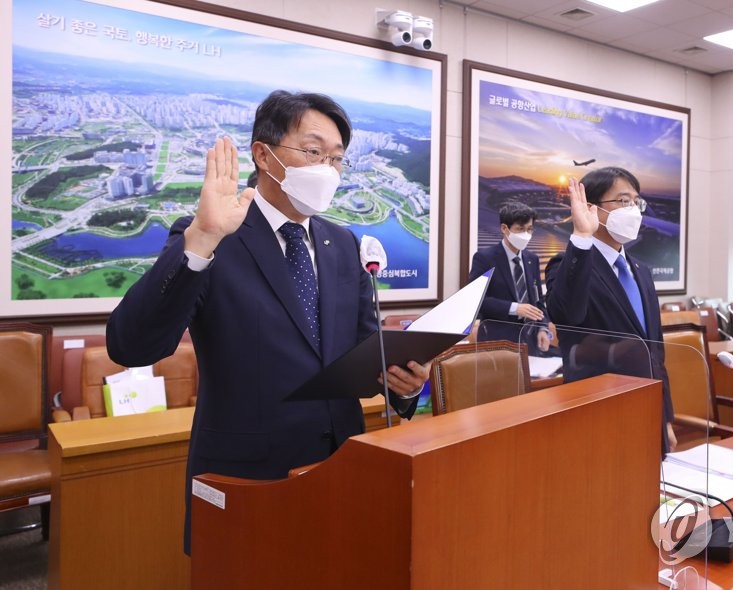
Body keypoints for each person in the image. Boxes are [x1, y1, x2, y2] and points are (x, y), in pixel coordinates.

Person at [106, 90, 429, 553]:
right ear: (264, 154)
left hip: (342, 467)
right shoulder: (214, 234)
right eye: (314, 152)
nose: (327, 170)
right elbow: (130, 346)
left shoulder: (343, 243)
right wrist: (201, 239)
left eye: (337, 159)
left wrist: (402, 381)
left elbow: (363, 348)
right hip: (247, 475)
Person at [545, 167, 676, 452]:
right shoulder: (568, 264)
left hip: (647, 409)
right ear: (592, 208)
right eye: (623, 200)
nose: (633, 210)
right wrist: (581, 235)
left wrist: (666, 417)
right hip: (599, 410)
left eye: (636, 201)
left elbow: (656, 351)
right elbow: (567, 314)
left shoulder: (641, 271)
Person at [468, 202, 552, 354]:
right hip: (497, 342)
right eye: (520, 229)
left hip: (531, 341)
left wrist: (543, 328)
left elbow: (538, 302)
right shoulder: (484, 258)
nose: (526, 235)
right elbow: (476, 301)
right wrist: (515, 308)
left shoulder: (532, 259)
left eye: (529, 229)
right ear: (504, 229)